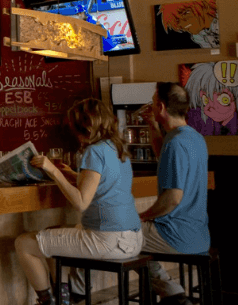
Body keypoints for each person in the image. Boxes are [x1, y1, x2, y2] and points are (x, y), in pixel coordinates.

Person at [15, 99, 143, 305]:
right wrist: (72, 175)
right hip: (133, 238)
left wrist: (53, 170)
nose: (74, 134)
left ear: (87, 127)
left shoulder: (94, 151)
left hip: (108, 240)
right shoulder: (117, 149)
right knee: (52, 233)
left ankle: (48, 301)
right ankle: (64, 298)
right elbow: (102, 182)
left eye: (75, 129)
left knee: (23, 243)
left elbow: (81, 202)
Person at [138, 82, 210, 305]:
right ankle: (171, 293)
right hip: (198, 235)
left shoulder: (176, 143)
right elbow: (165, 158)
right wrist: (152, 125)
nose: (151, 105)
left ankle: (171, 292)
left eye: (153, 102)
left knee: (117, 234)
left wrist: (143, 216)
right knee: (129, 239)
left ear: (160, 106)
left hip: (175, 235)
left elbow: (172, 199)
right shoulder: (193, 138)